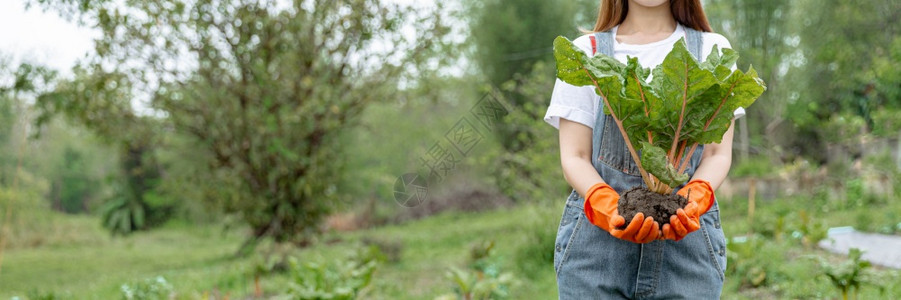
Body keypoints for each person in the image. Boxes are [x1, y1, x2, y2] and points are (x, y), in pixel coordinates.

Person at [544, 0, 746, 298]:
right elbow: (575, 156)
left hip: (686, 254)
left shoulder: (711, 49)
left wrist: (697, 195)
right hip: (596, 257)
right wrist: (605, 205)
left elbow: (718, 154)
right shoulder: (586, 52)